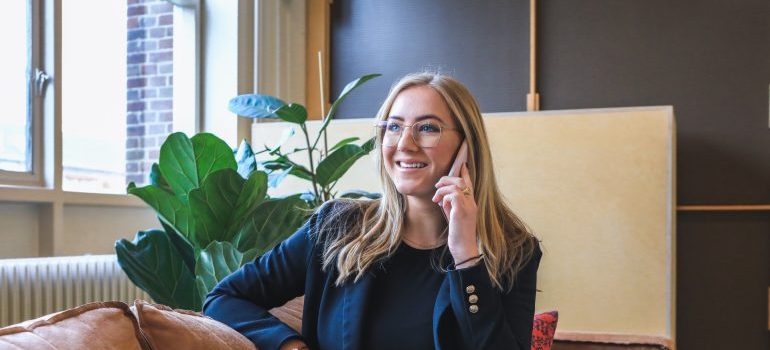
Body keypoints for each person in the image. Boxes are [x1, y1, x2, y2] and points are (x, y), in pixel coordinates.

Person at [203, 72, 542, 350]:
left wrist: (467, 257)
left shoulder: (513, 251)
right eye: (393, 127)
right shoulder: (336, 228)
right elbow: (223, 298)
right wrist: (289, 345)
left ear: (467, 146)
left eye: (427, 128)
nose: (404, 144)